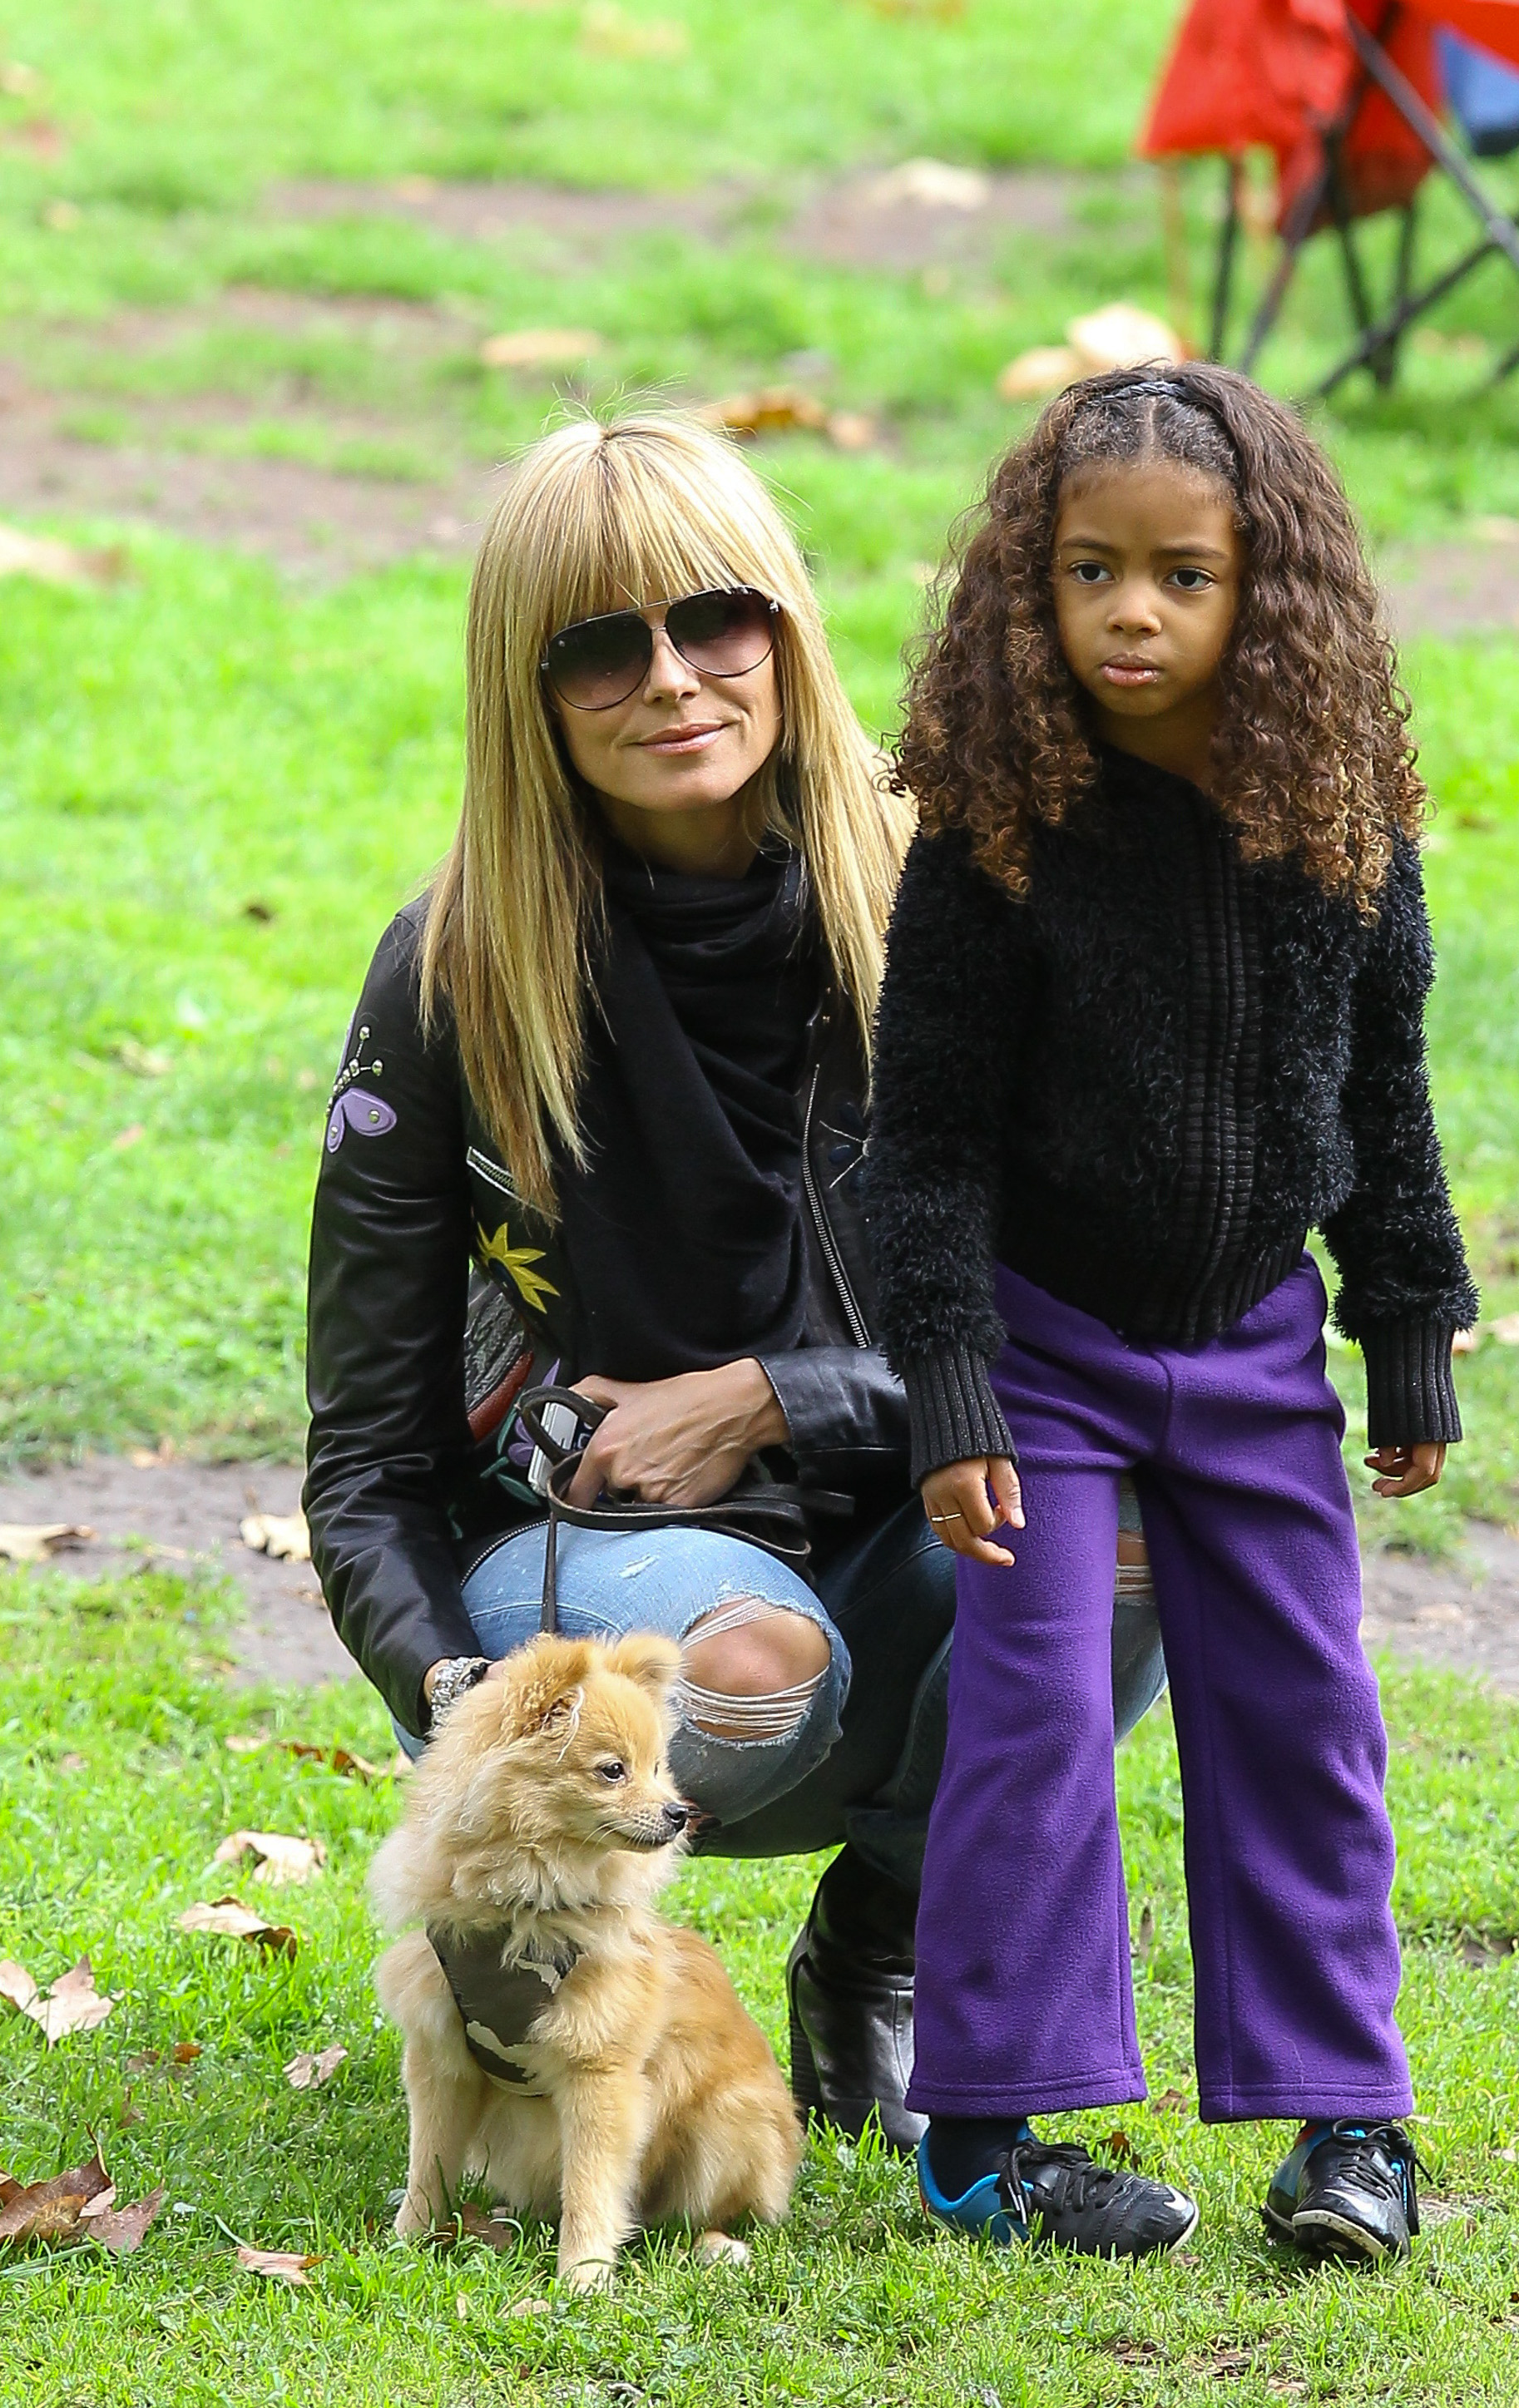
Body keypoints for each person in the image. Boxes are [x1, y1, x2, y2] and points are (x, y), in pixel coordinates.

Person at [303, 413, 1167, 2154]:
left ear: (782, 622)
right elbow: (366, 1457)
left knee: (1131, 1514)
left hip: (912, 1505)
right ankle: (581, 1989)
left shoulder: (970, 892)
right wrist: (455, 1698)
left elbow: (1121, 1325)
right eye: (598, 647)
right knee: (757, 1655)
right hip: (610, 1579)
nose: (671, 679)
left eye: (716, 620)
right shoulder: (454, 967)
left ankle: (886, 1941)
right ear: (526, 692)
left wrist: (783, 1393)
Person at [863, 363, 1477, 2262]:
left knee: (1300, 1712)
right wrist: (951, 1377)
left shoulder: (1336, 828)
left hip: (1252, 1346)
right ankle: (981, 2131)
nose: (1129, 612)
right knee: (1032, 1710)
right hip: (1039, 1351)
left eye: (1181, 576)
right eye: (1086, 571)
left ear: (1263, 592)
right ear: (1026, 591)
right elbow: (925, 1135)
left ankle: (1346, 2127)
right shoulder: (994, 833)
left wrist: (1405, 1329)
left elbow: (1386, 1099)